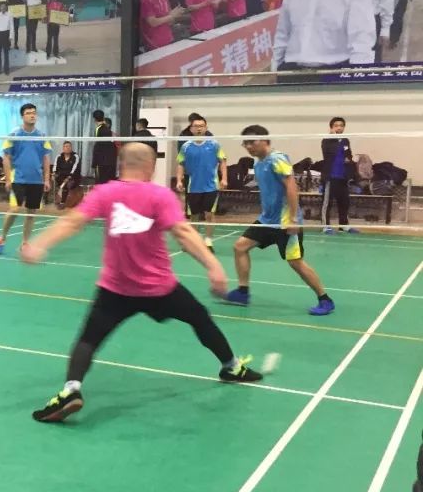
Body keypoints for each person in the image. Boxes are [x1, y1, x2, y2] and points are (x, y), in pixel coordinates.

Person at [20, 144, 262, 423]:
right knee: (200, 319)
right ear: (151, 167)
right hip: (160, 289)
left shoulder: (105, 192)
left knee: (88, 339)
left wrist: (39, 244)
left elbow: (73, 221)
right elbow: (183, 233)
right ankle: (231, 367)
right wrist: (213, 266)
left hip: (115, 290)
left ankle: (71, 389)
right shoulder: (160, 195)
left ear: (121, 164)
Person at [229, 125, 335, 315]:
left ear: (265, 140)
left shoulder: (277, 159)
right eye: (245, 143)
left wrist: (293, 219)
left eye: (252, 142)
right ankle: (242, 293)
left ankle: (325, 299)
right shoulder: (258, 163)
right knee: (240, 247)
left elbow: (291, 187)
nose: (249, 146)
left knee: (296, 262)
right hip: (267, 220)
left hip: (285, 221)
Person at [0, 103, 51, 254]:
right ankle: (3, 236)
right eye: (28, 113)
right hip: (18, 178)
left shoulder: (42, 136)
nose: (32, 115)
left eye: (34, 112)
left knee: (31, 213)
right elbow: (6, 158)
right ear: (22, 116)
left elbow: (46, 158)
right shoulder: (14, 134)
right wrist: (8, 179)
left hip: (36, 180)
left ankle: (25, 243)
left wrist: (46, 179)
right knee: (15, 209)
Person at [175, 117, 227, 251]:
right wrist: (179, 180)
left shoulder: (214, 144)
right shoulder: (186, 146)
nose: (199, 128)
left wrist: (224, 178)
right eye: (196, 126)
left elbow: (222, 161)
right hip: (193, 186)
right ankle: (194, 241)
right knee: (194, 215)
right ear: (191, 129)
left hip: (211, 185)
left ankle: (208, 242)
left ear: (206, 128)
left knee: (209, 214)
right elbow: (180, 164)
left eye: (202, 126)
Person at [321, 117, 357, 235]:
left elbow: (349, 155)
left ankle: (344, 225)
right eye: (336, 126)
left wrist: (349, 159)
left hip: (343, 177)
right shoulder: (326, 140)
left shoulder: (345, 140)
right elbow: (328, 153)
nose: (339, 128)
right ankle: (325, 226)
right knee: (327, 203)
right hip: (330, 176)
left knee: (344, 202)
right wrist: (335, 138)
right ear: (331, 128)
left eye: (341, 125)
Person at [91, 109, 116, 184]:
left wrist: (94, 162)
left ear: (94, 119)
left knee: (101, 183)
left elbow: (98, 145)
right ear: (103, 117)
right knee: (109, 183)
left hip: (102, 162)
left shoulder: (99, 129)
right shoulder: (108, 130)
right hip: (110, 161)